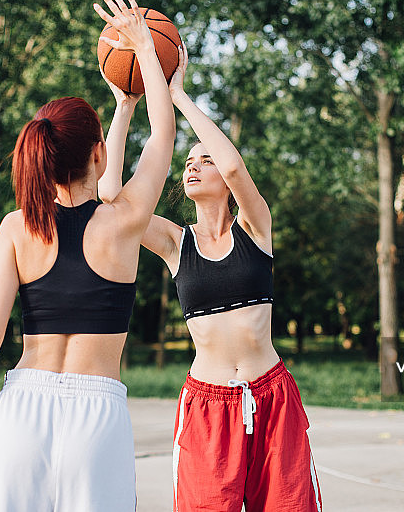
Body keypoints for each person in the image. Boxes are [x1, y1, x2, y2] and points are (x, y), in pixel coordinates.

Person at [0, 0, 176, 511]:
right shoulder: (125, 222)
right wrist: (147, 52)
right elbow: (163, 136)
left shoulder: (17, 228)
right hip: (97, 420)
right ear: (99, 153)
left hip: (22, 410)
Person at [100, 45, 322, 512]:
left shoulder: (255, 228)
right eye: (188, 163)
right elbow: (111, 195)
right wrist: (124, 107)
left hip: (273, 397)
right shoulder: (174, 243)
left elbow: (236, 166)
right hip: (207, 406)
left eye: (205, 160)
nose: (193, 166)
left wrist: (178, 95)